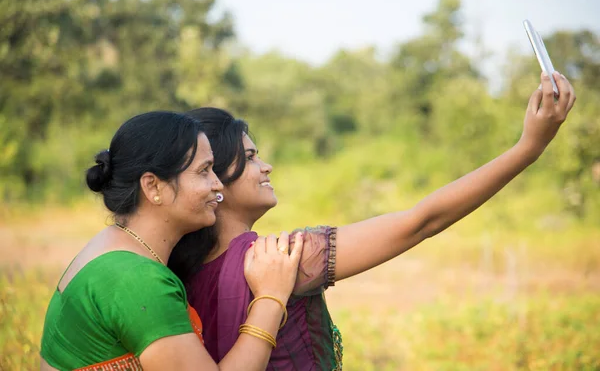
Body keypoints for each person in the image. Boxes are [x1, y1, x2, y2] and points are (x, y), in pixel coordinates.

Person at [169, 72, 576, 370]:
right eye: (253, 157)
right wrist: (529, 147)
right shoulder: (280, 259)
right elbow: (421, 222)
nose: (267, 166)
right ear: (214, 176)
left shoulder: (177, 270)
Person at [40, 111, 304, 371]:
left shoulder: (111, 245)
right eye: (204, 171)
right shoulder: (137, 280)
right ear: (153, 186)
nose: (218, 184)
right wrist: (271, 296)